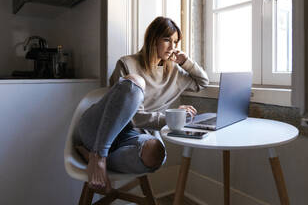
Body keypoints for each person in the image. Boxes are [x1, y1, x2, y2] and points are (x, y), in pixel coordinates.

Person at [75, 16, 209, 191]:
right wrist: (172, 117)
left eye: (175, 42)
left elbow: (202, 82)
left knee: (156, 154)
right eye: (167, 39)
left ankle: (91, 156)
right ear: (153, 39)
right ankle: (99, 155)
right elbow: (134, 118)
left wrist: (186, 62)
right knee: (135, 81)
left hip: (131, 138)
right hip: (100, 129)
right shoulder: (127, 63)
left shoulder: (174, 72)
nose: (172, 47)